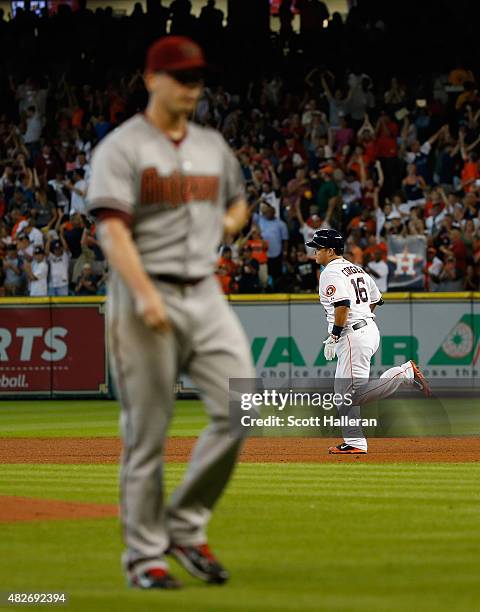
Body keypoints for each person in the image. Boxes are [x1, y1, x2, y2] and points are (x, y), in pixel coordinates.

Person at [86, 36, 254, 590]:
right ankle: (145, 558)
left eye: (197, 77)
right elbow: (111, 229)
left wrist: (227, 225)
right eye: (181, 76)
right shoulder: (122, 147)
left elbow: (237, 200)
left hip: (204, 291)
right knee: (147, 432)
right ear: (151, 79)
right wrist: (143, 293)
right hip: (144, 290)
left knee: (241, 404)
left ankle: (184, 524)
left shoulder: (211, 146)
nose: (191, 86)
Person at [306, 229, 430, 455]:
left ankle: (403, 373)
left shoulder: (330, 272)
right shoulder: (356, 268)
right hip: (366, 330)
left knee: (350, 395)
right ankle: (355, 443)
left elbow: (342, 305)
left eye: (318, 247)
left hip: (352, 335)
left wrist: (334, 336)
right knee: (344, 393)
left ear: (331, 250)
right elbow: (376, 299)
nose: (314, 252)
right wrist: (362, 318)